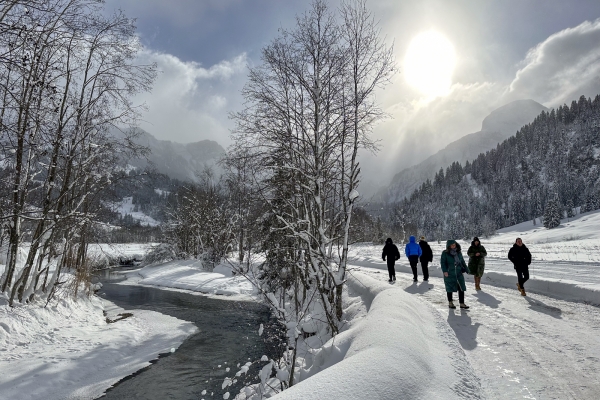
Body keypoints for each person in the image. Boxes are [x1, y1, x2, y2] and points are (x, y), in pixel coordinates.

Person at [440, 240, 469, 309]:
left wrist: (466, 269)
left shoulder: (458, 252)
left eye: (454, 244)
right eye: (452, 245)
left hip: (459, 272)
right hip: (450, 273)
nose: (453, 246)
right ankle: (450, 303)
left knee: (461, 287)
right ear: (448, 246)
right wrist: (445, 271)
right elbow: (443, 263)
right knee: (449, 288)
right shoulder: (445, 253)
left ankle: (462, 303)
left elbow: (462, 261)